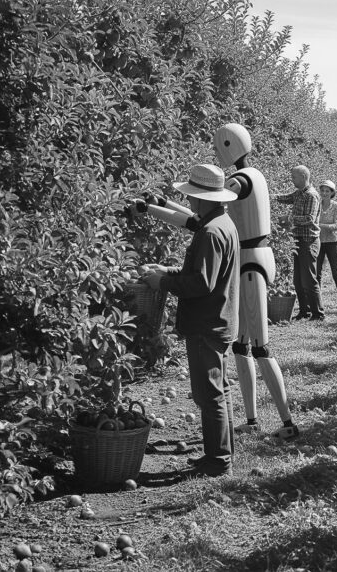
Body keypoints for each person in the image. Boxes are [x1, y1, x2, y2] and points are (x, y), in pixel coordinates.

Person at [130, 124, 300, 442]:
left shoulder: (237, 181)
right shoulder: (256, 176)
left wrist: (155, 208)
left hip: (250, 261)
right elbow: (204, 216)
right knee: (243, 346)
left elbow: (200, 220)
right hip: (258, 256)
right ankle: (252, 420)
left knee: (259, 347)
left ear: (225, 145)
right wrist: (161, 205)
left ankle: (287, 422)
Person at [141, 163, 239, 478]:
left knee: (208, 394)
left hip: (206, 324)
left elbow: (202, 283)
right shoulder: (223, 223)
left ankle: (218, 460)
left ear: (202, 198)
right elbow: (203, 275)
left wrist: (163, 283)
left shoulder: (211, 232)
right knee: (218, 391)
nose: (190, 202)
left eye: (192, 196)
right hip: (219, 320)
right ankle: (221, 453)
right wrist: (167, 271)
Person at [274, 165, 324, 321]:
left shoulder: (311, 195)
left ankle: (318, 313)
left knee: (309, 278)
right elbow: (284, 197)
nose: (292, 179)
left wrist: (288, 220)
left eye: (294, 177)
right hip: (298, 240)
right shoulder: (298, 194)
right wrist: (266, 194)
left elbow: (309, 218)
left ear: (303, 177)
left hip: (309, 241)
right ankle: (304, 311)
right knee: (298, 279)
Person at [316, 180, 337, 307]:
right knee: (317, 273)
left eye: (327, 191)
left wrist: (318, 226)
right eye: (322, 190)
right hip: (318, 242)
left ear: (332, 192)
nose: (324, 193)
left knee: (336, 272)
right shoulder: (316, 205)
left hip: (333, 242)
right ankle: (318, 302)